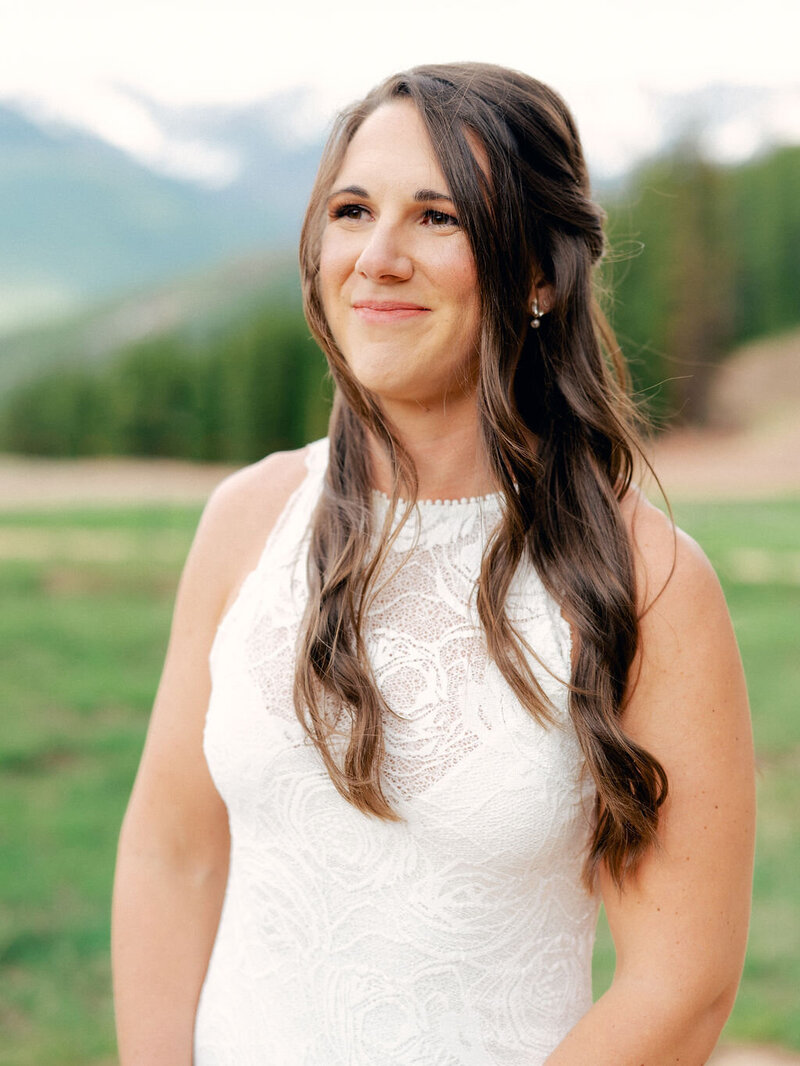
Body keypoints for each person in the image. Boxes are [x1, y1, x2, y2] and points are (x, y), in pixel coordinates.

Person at [112, 62, 755, 1065]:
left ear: (538, 273)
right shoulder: (246, 520)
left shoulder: (647, 580)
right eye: (352, 209)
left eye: (437, 218)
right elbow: (173, 853)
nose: (376, 257)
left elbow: (680, 983)